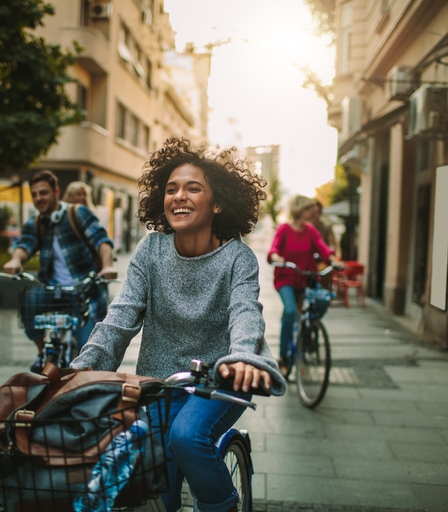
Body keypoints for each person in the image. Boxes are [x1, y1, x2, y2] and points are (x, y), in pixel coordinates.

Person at [71, 137, 286, 512]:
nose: (178, 196)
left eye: (193, 188)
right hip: (160, 384)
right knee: (154, 493)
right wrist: (81, 371)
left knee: (186, 437)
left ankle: (223, 506)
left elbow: (245, 313)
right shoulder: (151, 250)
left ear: (217, 203)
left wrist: (239, 358)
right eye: (171, 189)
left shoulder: (238, 258)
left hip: (221, 381)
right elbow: (120, 316)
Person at [3, 170, 117, 369]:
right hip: (52, 289)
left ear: (56, 192)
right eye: (35, 194)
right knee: (27, 303)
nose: (39, 198)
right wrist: (15, 261)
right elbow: (25, 245)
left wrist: (107, 265)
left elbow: (101, 240)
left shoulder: (77, 213)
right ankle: (42, 352)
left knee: (87, 354)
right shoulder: (36, 223)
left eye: (44, 193)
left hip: (83, 291)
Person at [267, 194, 336, 370]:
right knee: (290, 311)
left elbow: (324, 248)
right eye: (308, 208)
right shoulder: (284, 229)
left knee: (323, 300)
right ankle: (283, 357)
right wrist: (276, 257)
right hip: (286, 278)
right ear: (300, 210)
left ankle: (309, 329)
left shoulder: (311, 230)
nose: (312, 211)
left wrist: (334, 259)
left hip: (306, 277)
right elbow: (274, 248)